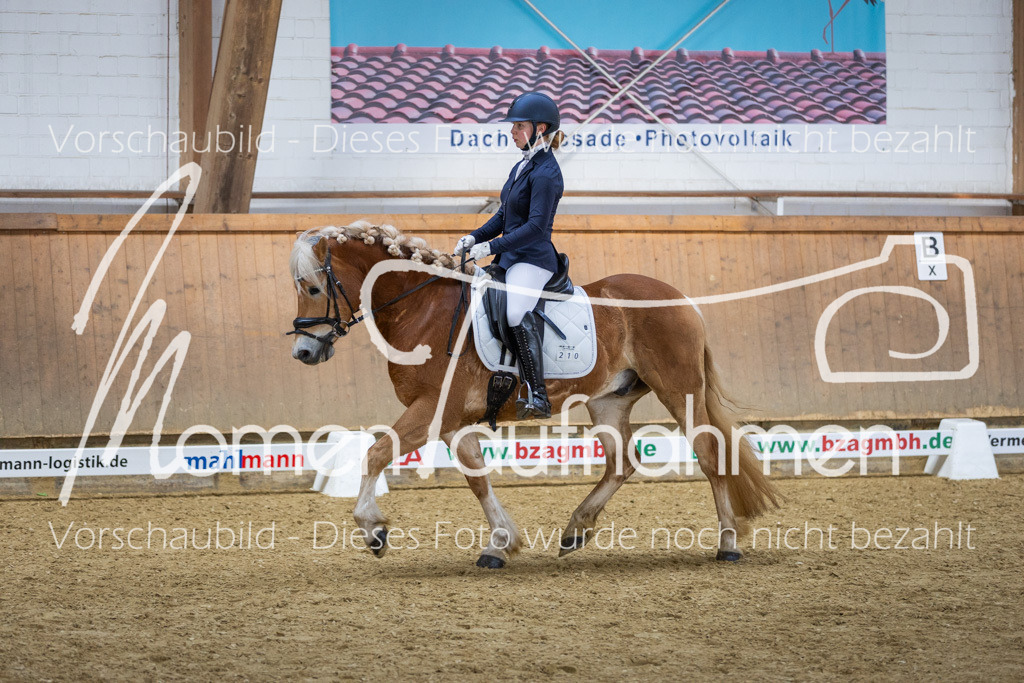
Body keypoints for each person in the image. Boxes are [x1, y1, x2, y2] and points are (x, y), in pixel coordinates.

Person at [453, 91, 565, 420]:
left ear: (540, 128)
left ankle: (538, 395)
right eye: (513, 126)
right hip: (510, 258)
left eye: (519, 126)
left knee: (516, 312)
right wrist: (475, 236)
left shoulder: (547, 173)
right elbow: (504, 216)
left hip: (533, 259)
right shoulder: (523, 166)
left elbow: (535, 227)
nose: (512, 131)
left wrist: (491, 247)